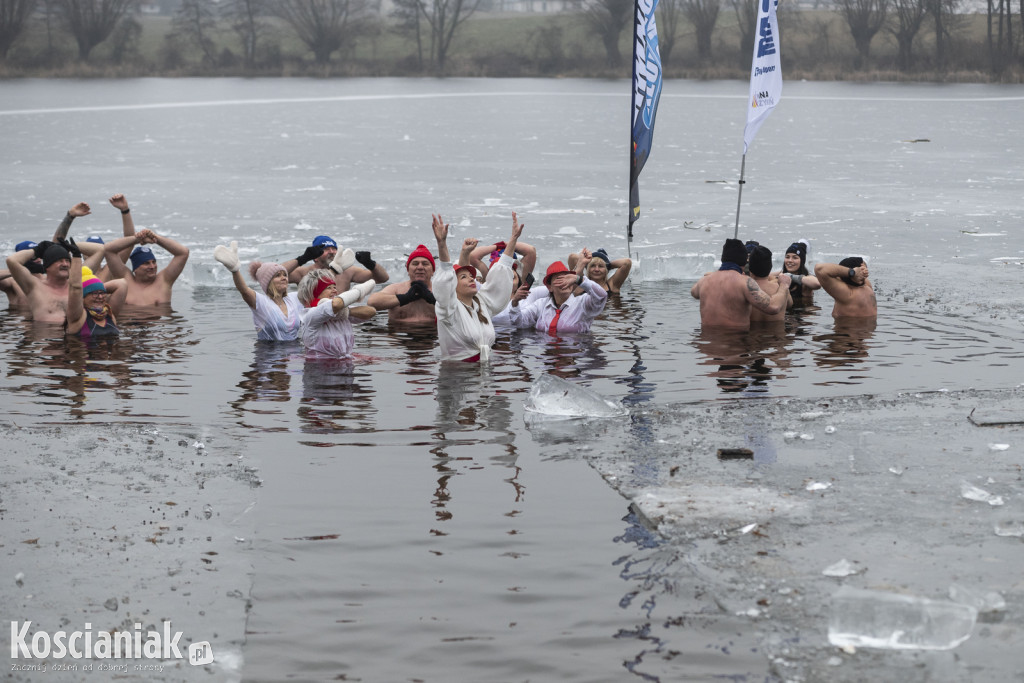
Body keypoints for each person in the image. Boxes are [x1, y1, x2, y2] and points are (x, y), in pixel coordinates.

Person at [432, 212, 522, 362]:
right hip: (456, 377)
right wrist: (442, 245)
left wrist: (513, 239)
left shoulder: (482, 303)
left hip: (483, 375)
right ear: (453, 285)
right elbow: (445, 279)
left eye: (471, 276)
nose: (471, 278)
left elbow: (500, 277)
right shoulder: (448, 308)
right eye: (463, 277)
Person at [689, 238, 791, 330]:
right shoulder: (745, 282)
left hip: (706, 345)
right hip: (734, 344)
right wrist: (784, 285)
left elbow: (694, 293)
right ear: (744, 262)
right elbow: (773, 307)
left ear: (723, 259)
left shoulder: (703, 281)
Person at [213, 241, 303, 341]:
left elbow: (315, 293)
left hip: (295, 353)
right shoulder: (262, 303)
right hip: (269, 354)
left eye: (285, 275)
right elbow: (244, 290)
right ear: (268, 283)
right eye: (278, 275)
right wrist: (235, 270)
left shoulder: (294, 298)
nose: (284, 278)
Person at [507, 248, 608, 334]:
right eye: (559, 279)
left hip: (575, 353)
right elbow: (519, 322)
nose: (565, 282)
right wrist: (515, 302)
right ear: (550, 287)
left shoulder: (582, 304)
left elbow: (602, 296)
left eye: (567, 278)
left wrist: (578, 279)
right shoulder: (541, 305)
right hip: (547, 354)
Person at [5, 237, 102, 323]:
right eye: (59, 261)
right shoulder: (35, 287)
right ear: (47, 266)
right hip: (45, 339)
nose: (65, 264)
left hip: (74, 341)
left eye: (67, 261)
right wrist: (36, 250)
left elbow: (100, 250)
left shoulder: (77, 282)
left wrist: (68, 245)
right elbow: (11, 260)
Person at [296, 269, 377, 359]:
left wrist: (346, 312)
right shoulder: (310, 315)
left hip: (343, 363)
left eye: (335, 287)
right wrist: (359, 291)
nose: (334, 290)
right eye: (329, 288)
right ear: (316, 293)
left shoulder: (341, 311)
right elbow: (335, 305)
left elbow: (371, 312)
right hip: (318, 367)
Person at [102, 228, 190, 307]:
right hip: (128, 324)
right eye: (146, 263)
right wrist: (137, 239)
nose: (152, 266)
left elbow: (183, 253)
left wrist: (156, 238)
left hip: (159, 325)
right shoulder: (125, 279)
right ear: (135, 268)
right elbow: (109, 250)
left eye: (154, 262)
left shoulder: (164, 280)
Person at [367, 243, 439, 325]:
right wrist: (405, 298)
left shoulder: (441, 290)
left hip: (433, 335)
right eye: (415, 264)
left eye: (425, 264)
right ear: (408, 270)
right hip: (399, 335)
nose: (420, 267)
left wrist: (433, 298)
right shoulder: (396, 289)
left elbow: (455, 307)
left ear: (433, 271)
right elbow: (372, 302)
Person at [286, 235, 389, 286]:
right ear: (315, 256)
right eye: (326, 249)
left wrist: (370, 264)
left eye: (334, 248)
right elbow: (273, 276)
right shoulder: (303, 273)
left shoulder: (349, 271)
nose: (332, 252)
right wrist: (302, 259)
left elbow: (382, 279)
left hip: (340, 317)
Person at [65, 257, 128, 339]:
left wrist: (96, 288)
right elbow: (75, 289)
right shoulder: (78, 317)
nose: (100, 297)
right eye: (95, 294)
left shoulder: (109, 314)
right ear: (82, 297)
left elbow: (122, 284)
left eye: (102, 293)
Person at [747, 245, 791, 323]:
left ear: (750, 267)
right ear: (770, 267)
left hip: (752, 334)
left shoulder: (744, 290)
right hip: (778, 334)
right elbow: (790, 304)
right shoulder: (781, 288)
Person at [567, 248, 632, 294]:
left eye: (601, 266)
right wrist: (585, 262)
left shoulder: (612, 285)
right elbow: (572, 257)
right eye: (592, 266)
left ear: (607, 269)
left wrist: (608, 265)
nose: (597, 269)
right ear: (588, 268)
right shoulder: (580, 283)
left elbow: (627, 263)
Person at [776, 239, 820, 306]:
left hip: (801, 314)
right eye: (787, 257)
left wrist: (791, 276)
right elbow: (764, 276)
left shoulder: (807, 279)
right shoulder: (781, 274)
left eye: (795, 258)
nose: (790, 260)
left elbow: (817, 284)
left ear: (802, 261)